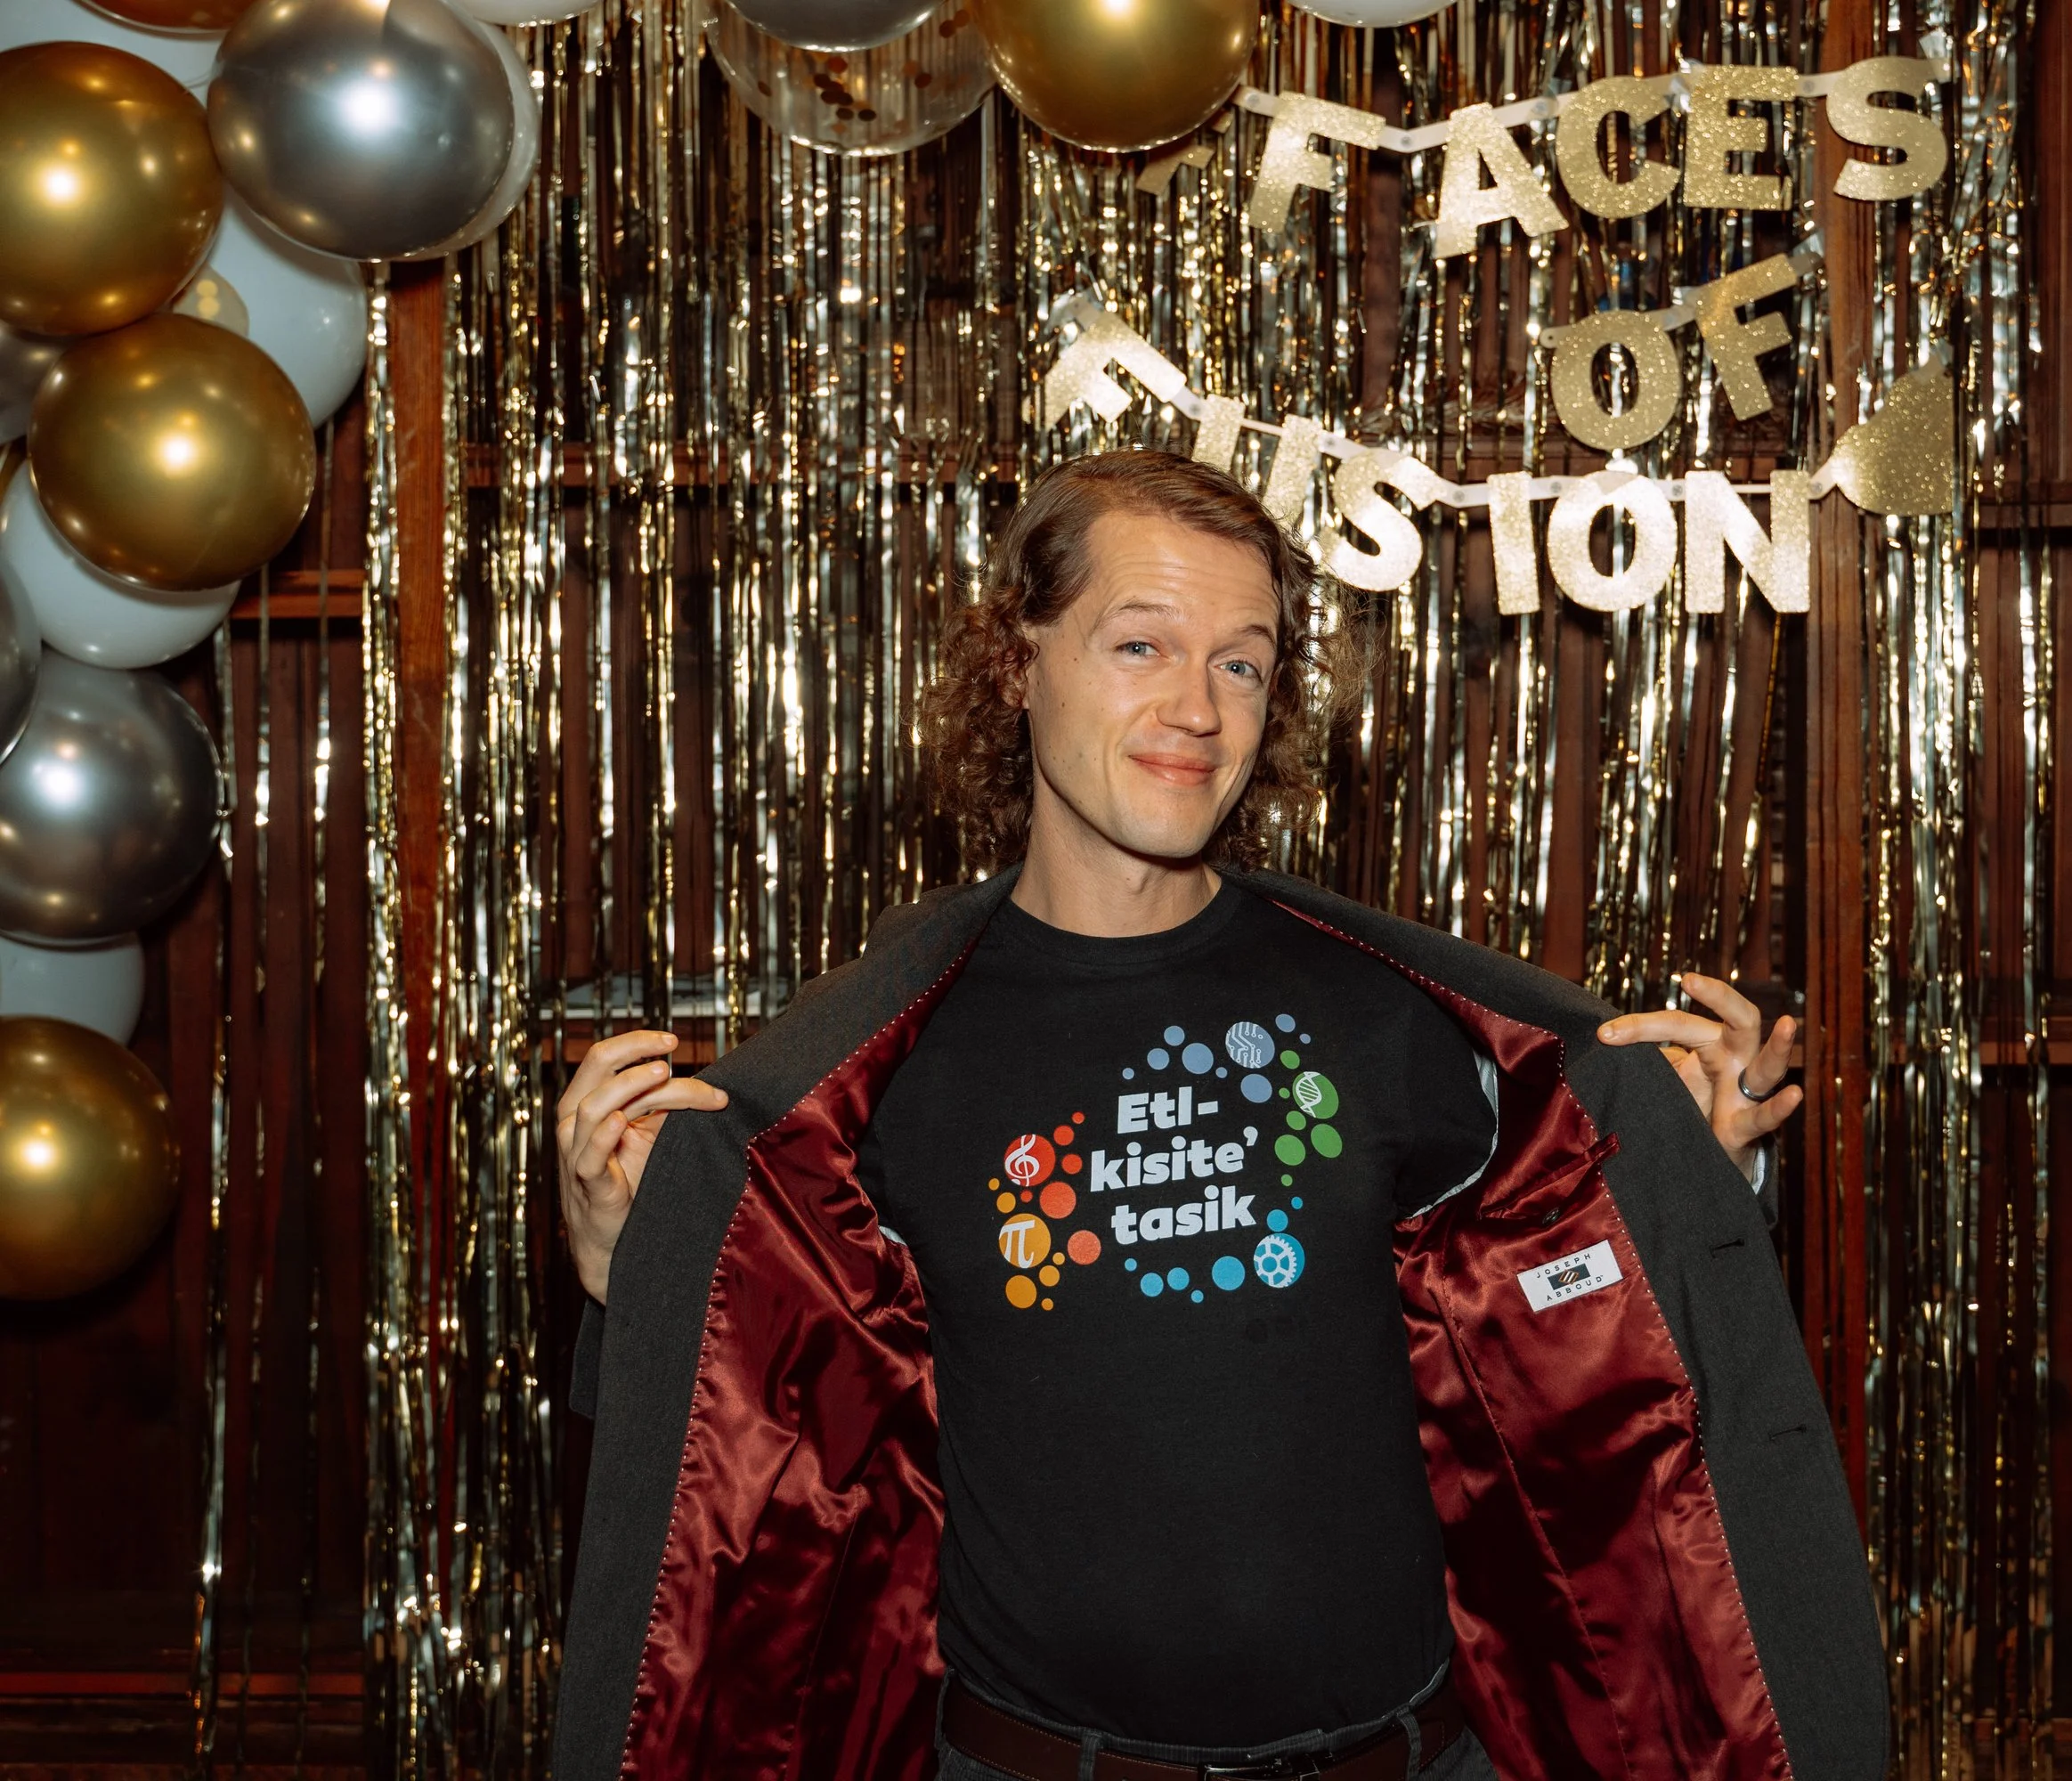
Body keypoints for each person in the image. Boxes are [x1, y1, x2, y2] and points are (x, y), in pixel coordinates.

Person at [551, 451, 1883, 1781]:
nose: (1196, 706)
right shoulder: (870, 1072)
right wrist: (632, 1276)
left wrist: (1681, 1174)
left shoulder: (1399, 1014)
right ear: (1017, 664)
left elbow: (1567, 1311)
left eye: (1240, 663)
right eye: (1142, 644)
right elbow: (744, 1464)